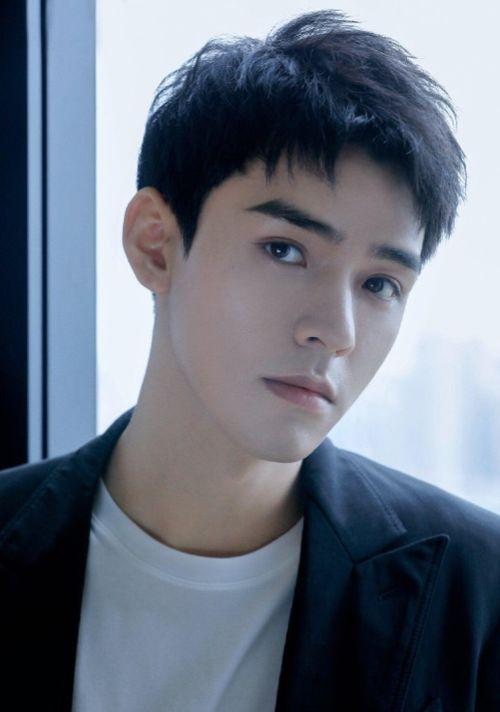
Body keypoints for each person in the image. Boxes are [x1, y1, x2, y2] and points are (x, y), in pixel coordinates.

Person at [1, 8, 498, 711]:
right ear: (155, 245)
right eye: (285, 250)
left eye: (381, 284)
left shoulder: (477, 594)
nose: (336, 331)